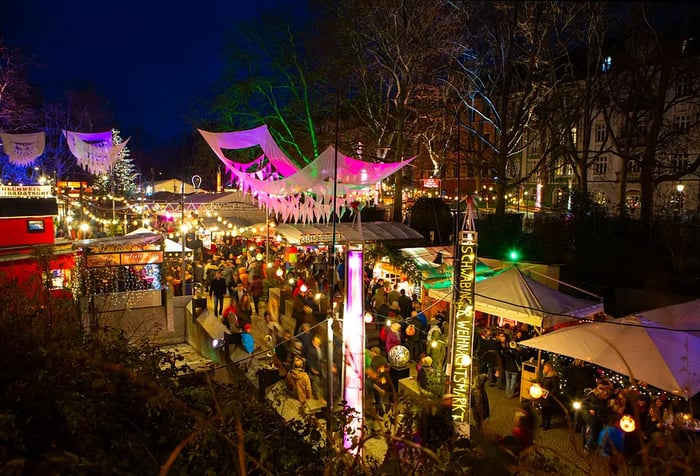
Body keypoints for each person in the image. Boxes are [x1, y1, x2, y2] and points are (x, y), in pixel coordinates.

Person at [539, 362, 560, 430]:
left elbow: (555, 388)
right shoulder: (545, 376)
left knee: (548, 412)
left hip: (549, 398)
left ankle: (547, 425)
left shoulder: (553, 377)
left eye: (545, 368)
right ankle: (543, 422)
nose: (544, 369)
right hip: (543, 397)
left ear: (549, 369)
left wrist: (549, 394)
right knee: (543, 410)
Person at [306, 334, 325, 402]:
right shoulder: (310, 350)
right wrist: (312, 369)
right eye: (317, 342)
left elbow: (322, 356)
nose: (318, 344)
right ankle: (315, 394)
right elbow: (309, 360)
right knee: (315, 382)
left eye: (319, 342)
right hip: (314, 368)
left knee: (322, 380)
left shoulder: (320, 348)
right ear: (313, 341)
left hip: (320, 367)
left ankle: (323, 393)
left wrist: (322, 363)